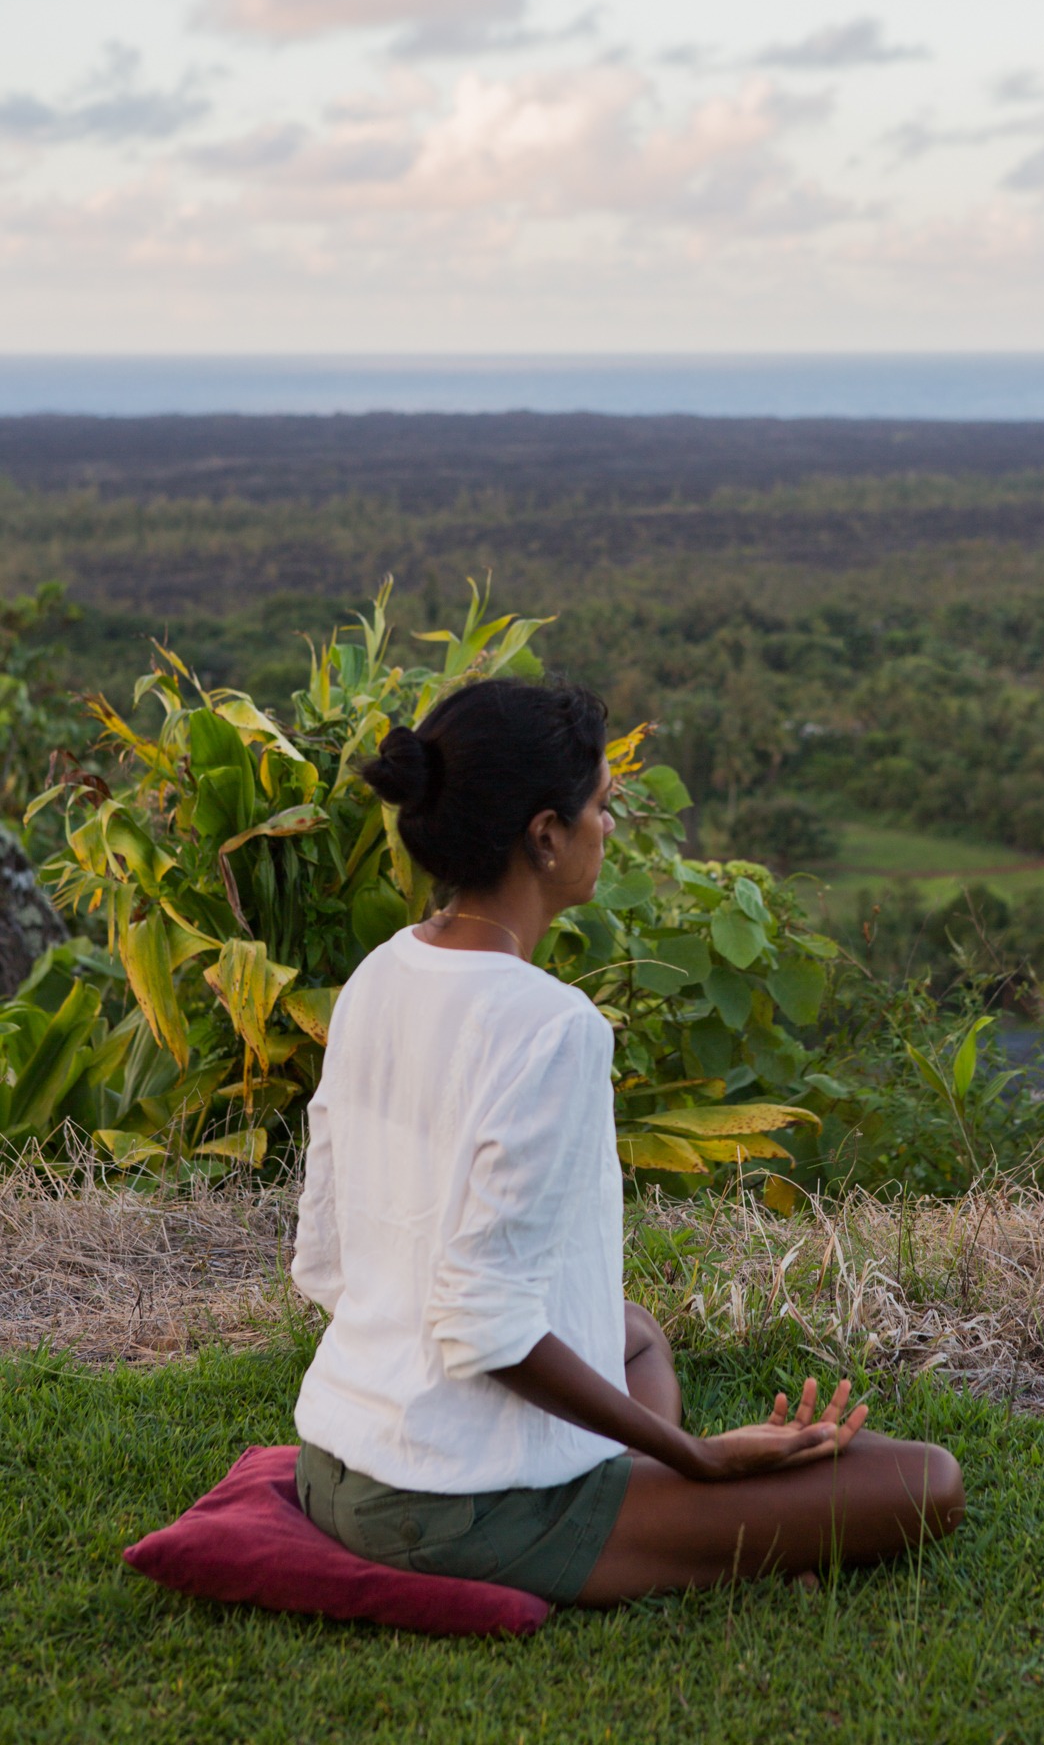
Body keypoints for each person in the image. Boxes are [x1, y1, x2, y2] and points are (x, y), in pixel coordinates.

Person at [291, 677, 963, 1607]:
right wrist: (694, 1455)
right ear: (545, 834)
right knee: (923, 1481)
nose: (610, 828)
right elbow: (483, 1323)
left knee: (635, 1337)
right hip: (448, 1507)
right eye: (602, 807)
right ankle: (695, 1526)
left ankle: (684, 1524)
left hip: (334, 1459)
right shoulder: (552, 1026)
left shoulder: (380, 974)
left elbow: (326, 1260)